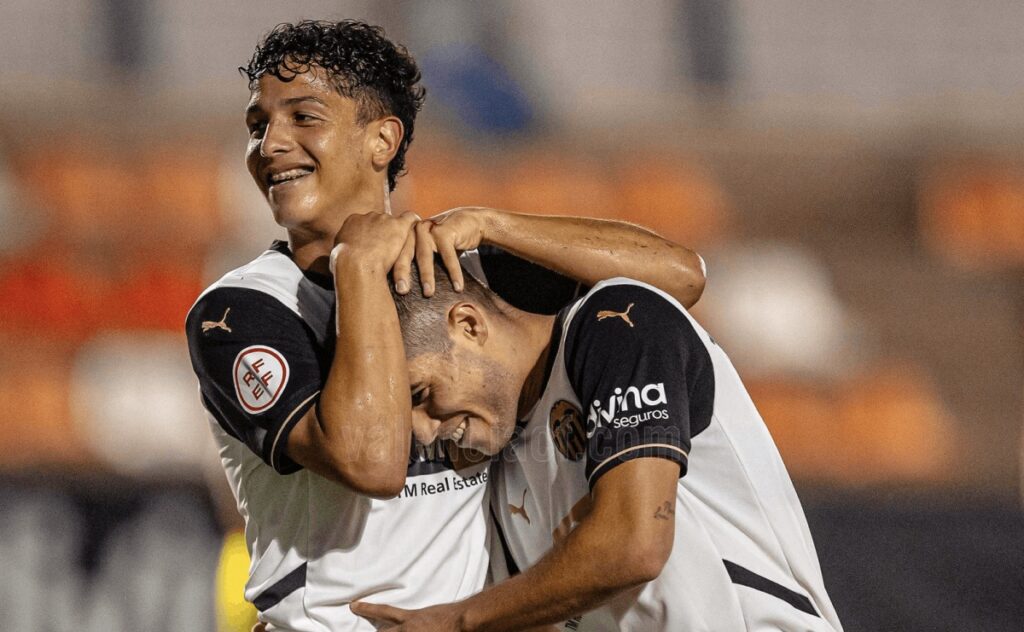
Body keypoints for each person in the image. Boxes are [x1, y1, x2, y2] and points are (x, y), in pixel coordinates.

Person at [185, 19, 706, 632]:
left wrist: (492, 224)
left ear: (382, 140)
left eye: (303, 117)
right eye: (257, 126)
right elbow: (373, 463)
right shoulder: (241, 311)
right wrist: (358, 266)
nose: (270, 144)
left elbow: (679, 277)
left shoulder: (459, 272)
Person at [352, 261, 843, 632]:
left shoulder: (615, 326)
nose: (423, 431)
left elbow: (635, 544)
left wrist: (456, 621)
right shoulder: (502, 471)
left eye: (421, 394)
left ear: (468, 325)